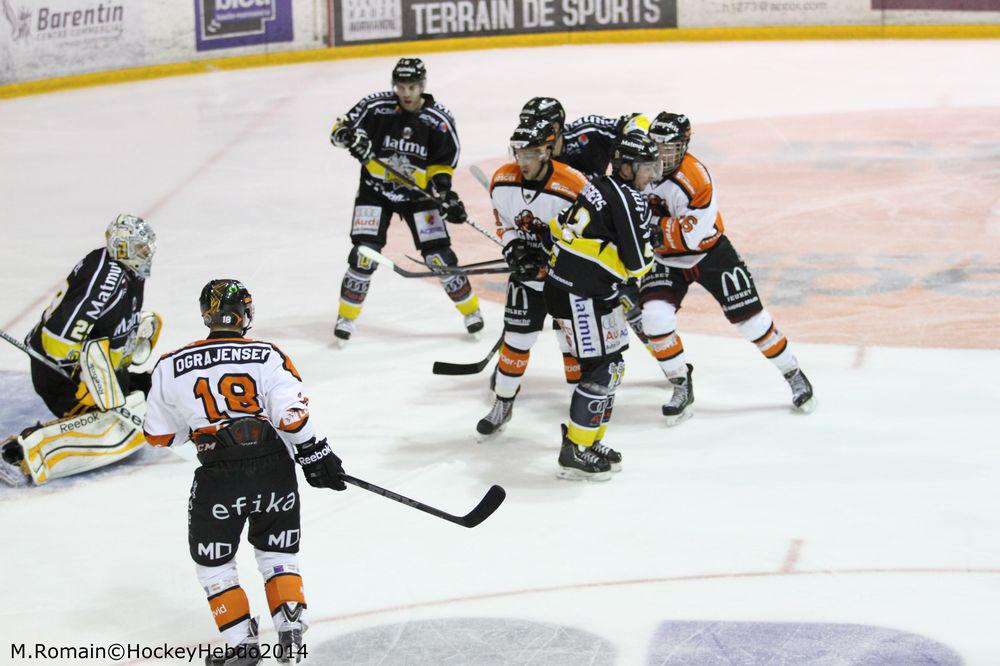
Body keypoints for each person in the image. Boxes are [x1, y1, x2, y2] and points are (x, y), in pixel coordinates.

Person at [143, 279, 347, 665]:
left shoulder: (169, 365)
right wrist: (314, 453)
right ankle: (290, 627)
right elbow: (291, 417)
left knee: (214, 564)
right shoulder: (267, 354)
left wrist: (185, 419)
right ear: (245, 313)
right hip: (274, 470)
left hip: (219, 478)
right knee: (277, 552)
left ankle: (241, 645)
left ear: (207, 314)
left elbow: (160, 436)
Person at [641, 112, 816, 424]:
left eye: (669, 149)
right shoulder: (637, 166)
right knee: (654, 320)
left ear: (683, 146)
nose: (662, 156)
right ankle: (681, 383)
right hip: (664, 260)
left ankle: (793, 373)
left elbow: (690, 237)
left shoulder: (696, 178)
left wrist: (648, 227)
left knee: (752, 321)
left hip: (710, 254)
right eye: (657, 147)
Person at [329, 57, 483, 344]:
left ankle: (471, 310)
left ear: (422, 86)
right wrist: (350, 138)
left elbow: (442, 164)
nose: (406, 93)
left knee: (439, 257)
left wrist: (445, 194)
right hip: (375, 192)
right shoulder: (376, 107)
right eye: (400, 87)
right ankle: (346, 317)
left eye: (412, 87)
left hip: (417, 197)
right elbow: (338, 132)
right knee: (364, 254)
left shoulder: (438, 120)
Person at [0, 214, 161, 486]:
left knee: (156, 390)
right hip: (62, 375)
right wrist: (88, 380)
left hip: (100, 372)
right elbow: (58, 340)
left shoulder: (129, 271)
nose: (147, 253)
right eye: (140, 247)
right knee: (117, 430)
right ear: (123, 247)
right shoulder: (107, 278)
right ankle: (18, 454)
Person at [544, 133, 659, 480]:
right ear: (626, 167)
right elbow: (639, 265)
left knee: (612, 367)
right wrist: (651, 245)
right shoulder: (629, 199)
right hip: (580, 294)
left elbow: (559, 228)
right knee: (602, 370)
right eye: (646, 167)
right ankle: (574, 449)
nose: (651, 174)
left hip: (586, 289)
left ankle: (590, 440)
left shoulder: (597, 185)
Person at [477, 119, 589, 436]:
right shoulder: (503, 181)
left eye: (529, 154)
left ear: (546, 152)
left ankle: (580, 408)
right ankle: (503, 403)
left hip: (567, 281)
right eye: (519, 154)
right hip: (527, 280)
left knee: (572, 345)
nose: (522, 162)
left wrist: (555, 257)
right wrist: (514, 249)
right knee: (516, 340)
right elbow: (505, 224)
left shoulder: (575, 186)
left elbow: (589, 236)